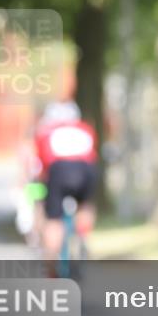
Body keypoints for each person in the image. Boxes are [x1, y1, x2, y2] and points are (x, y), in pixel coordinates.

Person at [34, 100, 98, 273]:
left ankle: (51, 263)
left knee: (54, 220)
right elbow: (92, 155)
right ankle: (83, 235)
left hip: (59, 170)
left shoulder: (46, 132)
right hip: (85, 169)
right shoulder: (85, 129)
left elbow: (42, 166)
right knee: (85, 205)